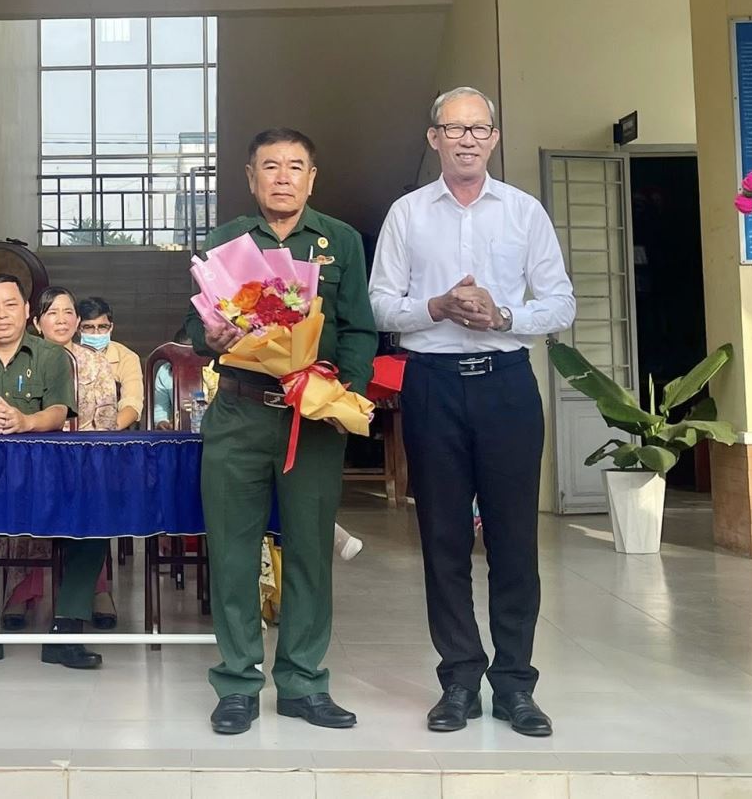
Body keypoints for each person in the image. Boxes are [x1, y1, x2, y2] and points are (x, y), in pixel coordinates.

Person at [367, 87, 575, 739]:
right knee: (444, 540)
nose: (466, 139)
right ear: (434, 138)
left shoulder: (524, 211)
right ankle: (459, 678)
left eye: (478, 128)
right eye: (453, 128)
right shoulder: (407, 214)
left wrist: (503, 314)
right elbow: (379, 303)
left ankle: (515, 684)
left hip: (506, 384)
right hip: (431, 385)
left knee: (514, 540)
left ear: (493, 138)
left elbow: (561, 303)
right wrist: (435, 307)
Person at [186, 128, 376, 735]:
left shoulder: (340, 241)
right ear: (251, 177)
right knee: (233, 551)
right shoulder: (226, 240)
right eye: (270, 166)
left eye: (296, 166)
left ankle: (302, 682)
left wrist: (342, 393)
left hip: (311, 418)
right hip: (239, 413)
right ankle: (237, 682)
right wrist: (211, 337)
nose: (283, 176)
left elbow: (360, 328)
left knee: (311, 552)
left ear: (312, 178)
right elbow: (196, 330)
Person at [0, 274, 105, 670]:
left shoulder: (51, 356)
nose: (0, 314)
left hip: (45, 478)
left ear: (27, 310)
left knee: (94, 520)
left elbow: (58, 411)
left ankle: (66, 632)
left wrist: (26, 421)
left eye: (10, 305)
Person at [0, 287, 119, 631]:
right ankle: (22, 589)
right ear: (37, 322)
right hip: (33, 460)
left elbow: (106, 418)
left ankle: (95, 590)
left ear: (78, 321)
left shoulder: (95, 361)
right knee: (27, 496)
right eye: (53, 313)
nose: (62, 320)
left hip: (84, 460)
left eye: (68, 313)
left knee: (94, 497)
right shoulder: (21, 360)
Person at [76, 297, 144, 430]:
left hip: (113, 431)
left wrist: (103, 432)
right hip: (74, 433)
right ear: (78, 329)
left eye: (102, 327)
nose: (96, 333)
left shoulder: (127, 358)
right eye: (88, 327)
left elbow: (132, 404)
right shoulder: (69, 356)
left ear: (111, 327)